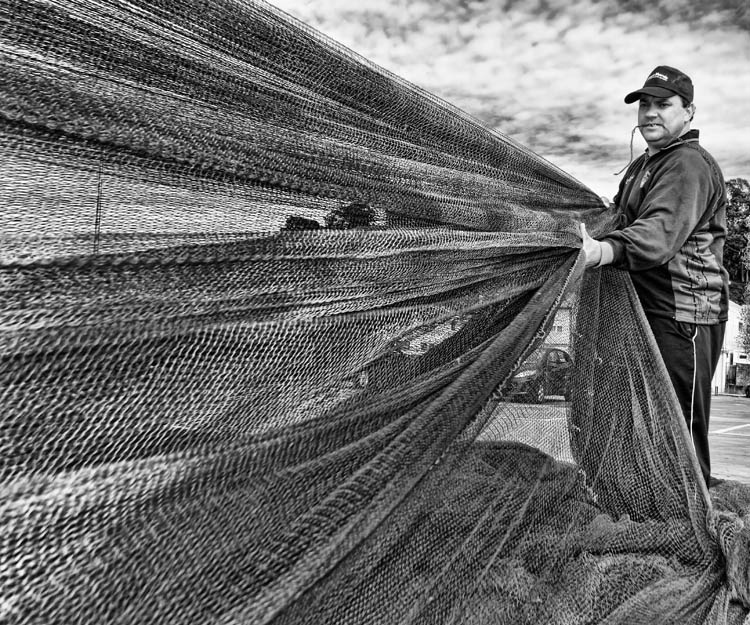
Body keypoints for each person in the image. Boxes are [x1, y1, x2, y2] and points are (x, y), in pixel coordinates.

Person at [581, 65, 729, 487]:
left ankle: (693, 530)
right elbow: (619, 217)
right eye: (644, 104)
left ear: (689, 112)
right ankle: (648, 514)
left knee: (675, 431)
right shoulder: (645, 166)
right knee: (636, 427)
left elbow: (658, 233)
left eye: (663, 104)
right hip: (645, 310)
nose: (650, 113)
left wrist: (604, 250)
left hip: (685, 316)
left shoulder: (688, 165)